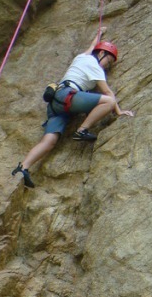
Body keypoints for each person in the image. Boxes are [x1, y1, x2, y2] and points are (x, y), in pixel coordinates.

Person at [11, 26, 134, 188]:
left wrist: (99, 34)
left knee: (49, 141)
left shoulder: (81, 57)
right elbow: (107, 92)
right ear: (102, 54)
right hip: (68, 96)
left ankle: (24, 167)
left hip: (56, 103)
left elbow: (91, 47)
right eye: (108, 62)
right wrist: (119, 111)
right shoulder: (94, 66)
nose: (106, 66)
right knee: (108, 102)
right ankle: (82, 130)